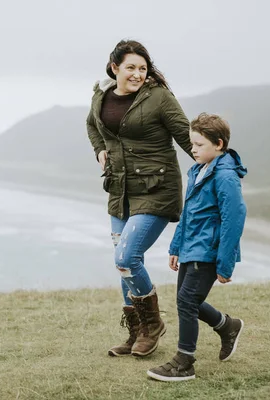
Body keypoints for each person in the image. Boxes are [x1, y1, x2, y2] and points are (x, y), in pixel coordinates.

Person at [86, 39, 193, 357]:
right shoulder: (101, 96)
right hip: (120, 190)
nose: (137, 74)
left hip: (157, 190)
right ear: (114, 67)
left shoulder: (159, 97)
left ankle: (153, 325)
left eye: (142, 68)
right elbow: (92, 126)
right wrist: (99, 150)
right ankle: (136, 333)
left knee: (125, 257)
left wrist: (219, 164)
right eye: (130, 67)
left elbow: (186, 135)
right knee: (125, 262)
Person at [147, 112, 247, 381]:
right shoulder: (198, 170)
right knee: (187, 301)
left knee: (187, 301)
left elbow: (234, 219)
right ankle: (228, 326)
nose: (193, 150)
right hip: (191, 247)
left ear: (219, 144)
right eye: (192, 144)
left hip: (209, 250)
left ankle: (184, 362)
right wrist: (175, 246)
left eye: (199, 145)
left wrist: (224, 263)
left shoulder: (225, 176)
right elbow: (189, 212)